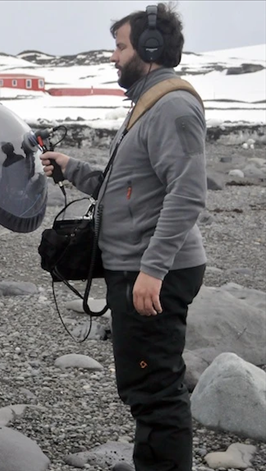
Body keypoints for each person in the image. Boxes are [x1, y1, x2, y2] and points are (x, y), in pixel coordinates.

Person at [40, 4, 207, 471]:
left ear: (149, 48)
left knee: (156, 392)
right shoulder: (147, 104)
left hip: (152, 272)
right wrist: (72, 168)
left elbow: (188, 193)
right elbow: (127, 187)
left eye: (120, 46)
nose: (113, 56)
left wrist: (153, 270)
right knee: (144, 388)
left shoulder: (173, 106)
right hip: (138, 268)